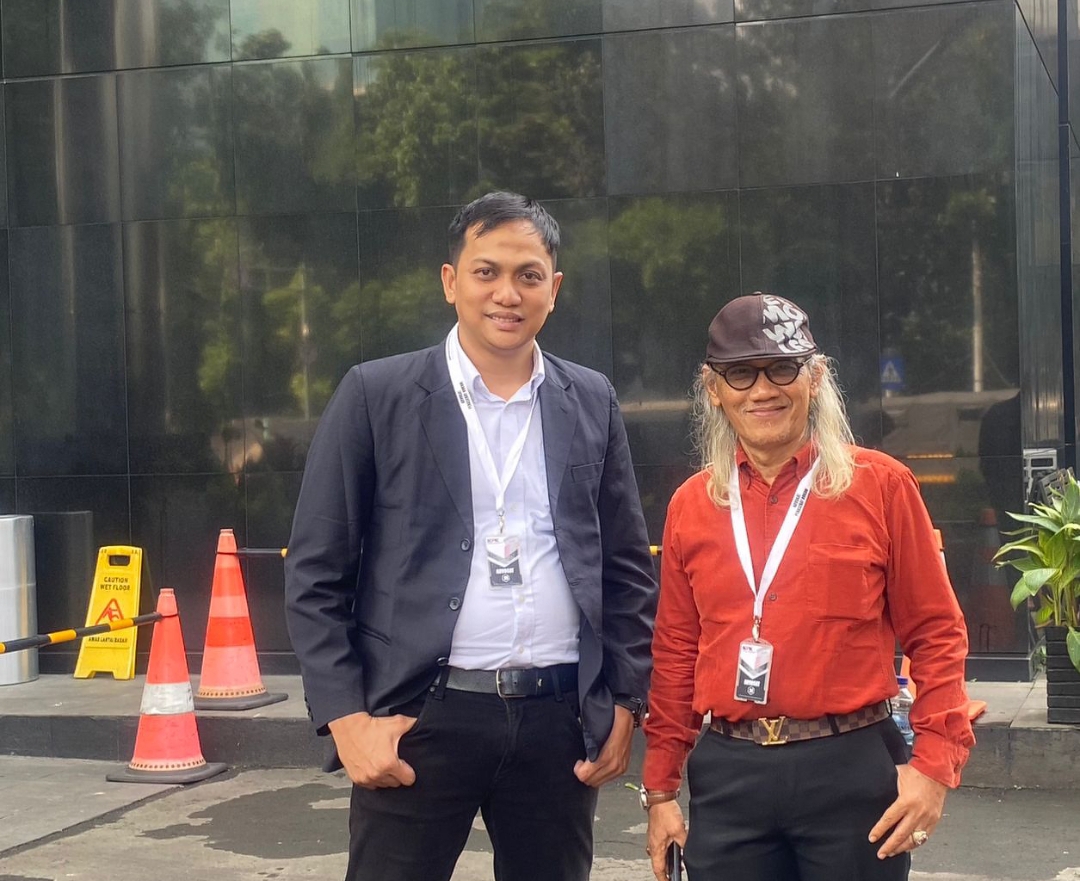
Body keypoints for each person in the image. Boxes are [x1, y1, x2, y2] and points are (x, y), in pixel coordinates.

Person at [284, 191, 657, 881]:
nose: (507, 294)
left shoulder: (590, 399)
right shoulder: (376, 395)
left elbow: (626, 566)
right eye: (487, 272)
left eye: (528, 275)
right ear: (451, 280)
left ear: (554, 288)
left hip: (557, 724)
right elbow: (315, 573)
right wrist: (346, 720)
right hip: (418, 717)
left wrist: (627, 705)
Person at [642, 293, 975, 881]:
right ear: (713, 389)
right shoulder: (691, 505)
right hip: (729, 773)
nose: (762, 390)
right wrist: (661, 789)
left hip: (851, 768)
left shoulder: (882, 486)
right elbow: (675, 652)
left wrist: (933, 767)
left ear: (815, 378)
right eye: (741, 374)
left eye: (782, 369)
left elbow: (936, 632)